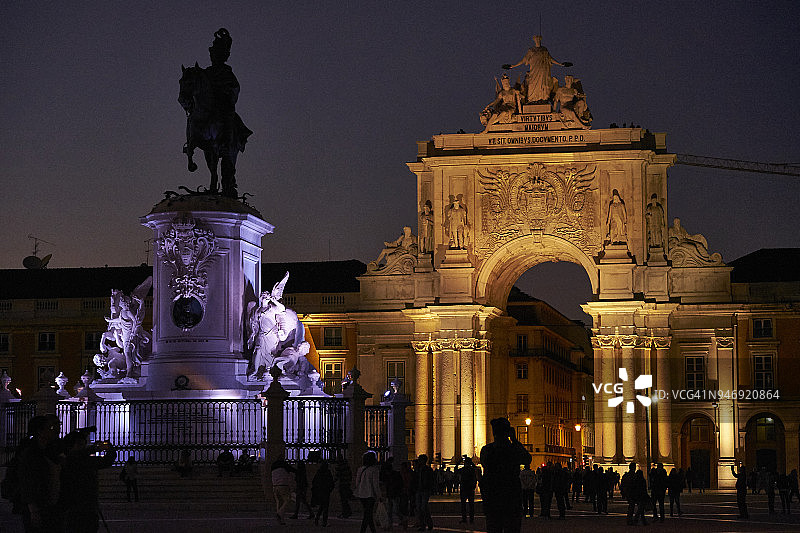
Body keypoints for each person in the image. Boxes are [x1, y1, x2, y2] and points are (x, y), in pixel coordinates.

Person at [479, 417, 532, 532]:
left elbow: (485, 466)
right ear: (508, 432)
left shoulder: (487, 450)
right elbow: (527, 459)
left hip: (493, 498)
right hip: (511, 498)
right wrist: (515, 440)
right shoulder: (513, 449)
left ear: (494, 433)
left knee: (494, 528)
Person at [59, 429, 117, 532]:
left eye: (83, 445)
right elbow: (76, 457)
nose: (82, 448)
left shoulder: (86, 460)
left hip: (88, 505)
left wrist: (109, 448)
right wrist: (95, 448)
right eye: (79, 445)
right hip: (73, 506)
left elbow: (107, 461)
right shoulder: (68, 460)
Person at [16, 415, 63, 533]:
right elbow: (27, 481)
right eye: (51, 427)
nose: (57, 430)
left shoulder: (51, 450)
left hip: (52, 506)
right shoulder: (32, 453)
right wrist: (33, 509)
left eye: (58, 425)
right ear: (40, 431)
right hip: (39, 506)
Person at [503, 35, 569, 103]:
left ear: (540, 40)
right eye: (536, 39)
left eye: (538, 39)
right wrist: (514, 65)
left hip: (543, 71)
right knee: (532, 85)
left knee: (543, 85)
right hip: (534, 71)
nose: (537, 41)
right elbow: (523, 60)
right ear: (534, 40)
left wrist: (561, 64)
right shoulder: (531, 50)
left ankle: (543, 99)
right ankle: (532, 100)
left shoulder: (544, 50)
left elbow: (550, 59)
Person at [353, 451, 381, 533]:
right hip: (370, 494)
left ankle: (372, 530)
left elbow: (357, 482)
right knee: (368, 514)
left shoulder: (360, 469)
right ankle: (364, 531)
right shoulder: (374, 470)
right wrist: (379, 496)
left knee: (367, 514)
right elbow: (375, 484)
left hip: (361, 494)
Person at [271, 456, 296, 525]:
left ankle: (281, 520)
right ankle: (280, 513)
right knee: (287, 500)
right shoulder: (284, 465)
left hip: (274, 486)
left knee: (278, 502)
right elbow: (293, 470)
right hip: (283, 485)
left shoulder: (273, 466)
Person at [311, 460, 335, 527]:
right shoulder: (328, 472)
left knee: (322, 506)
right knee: (325, 507)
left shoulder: (319, 472)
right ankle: (324, 521)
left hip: (320, 492)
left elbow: (314, 482)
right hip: (326, 492)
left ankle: (317, 519)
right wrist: (330, 489)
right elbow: (331, 482)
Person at [414, 454, 434, 531]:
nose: (418, 461)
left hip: (425, 490)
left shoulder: (428, 470)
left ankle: (428, 524)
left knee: (423, 508)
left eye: (420, 459)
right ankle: (423, 525)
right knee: (420, 508)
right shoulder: (418, 469)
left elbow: (431, 480)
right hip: (419, 490)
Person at [458, 456, 479, 523]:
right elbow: (476, 471)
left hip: (464, 488)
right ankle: (471, 519)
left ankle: (464, 519)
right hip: (470, 489)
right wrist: (472, 463)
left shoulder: (463, 469)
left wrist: (458, 463)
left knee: (463, 505)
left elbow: (456, 470)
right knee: (471, 505)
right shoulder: (472, 469)